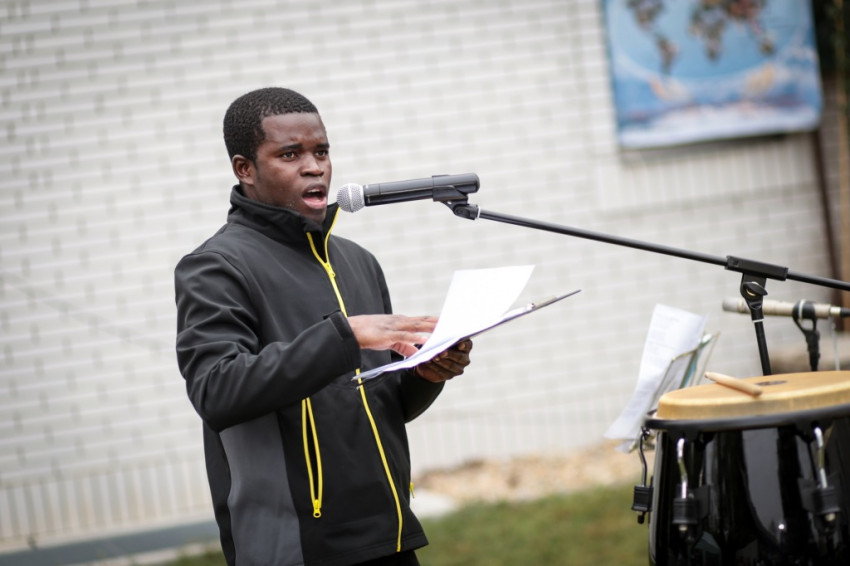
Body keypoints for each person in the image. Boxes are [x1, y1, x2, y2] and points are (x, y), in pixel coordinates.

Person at [174, 87, 473, 566]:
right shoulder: (215, 267)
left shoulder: (358, 262)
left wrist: (426, 374)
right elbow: (217, 389)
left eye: (322, 151)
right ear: (244, 169)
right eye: (290, 154)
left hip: (390, 534)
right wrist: (344, 336)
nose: (314, 167)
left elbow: (384, 406)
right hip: (295, 546)